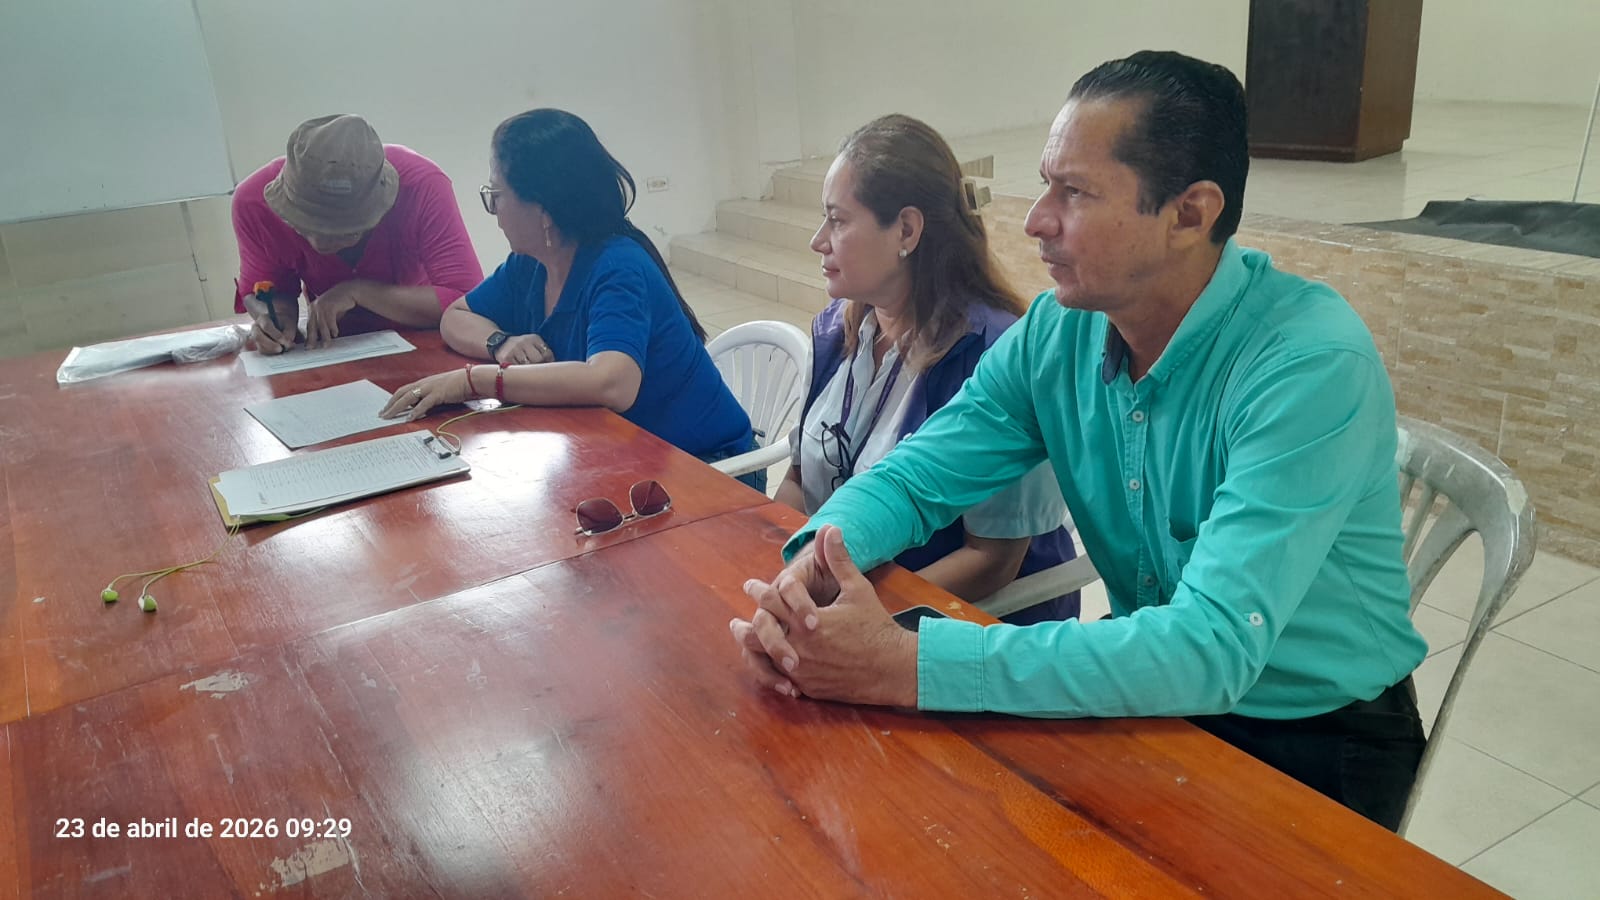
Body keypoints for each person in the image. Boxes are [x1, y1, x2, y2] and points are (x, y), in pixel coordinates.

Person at [731, 51, 1430, 832]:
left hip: (1315, 731)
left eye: (1075, 193)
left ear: (1189, 214)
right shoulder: (1057, 334)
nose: (1036, 220)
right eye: (1045, 185)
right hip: (1153, 686)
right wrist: (815, 567)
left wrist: (907, 665)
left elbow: (1210, 649)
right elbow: (917, 474)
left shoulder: (1306, 364)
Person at [779, 114, 1077, 622]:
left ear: (907, 230)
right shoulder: (837, 329)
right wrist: (786, 573)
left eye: (838, 220)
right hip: (846, 599)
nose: (818, 240)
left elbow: (993, 560)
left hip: (965, 622)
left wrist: (866, 611)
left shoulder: (993, 352)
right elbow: (798, 477)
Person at [380, 109, 759, 488]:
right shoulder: (531, 263)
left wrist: (475, 381)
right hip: (621, 454)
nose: (494, 212)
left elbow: (613, 383)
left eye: (497, 196)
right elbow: (456, 316)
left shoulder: (617, 265)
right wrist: (501, 343)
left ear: (543, 210)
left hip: (709, 466)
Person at [233, 114, 484, 354]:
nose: (318, 243)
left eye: (345, 233)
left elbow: (467, 301)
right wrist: (277, 318)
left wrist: (359, 292)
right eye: (303, 227)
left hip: (422, 334)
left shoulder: (421, 185)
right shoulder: (253, 203)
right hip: (335, 345)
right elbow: (264, 289)